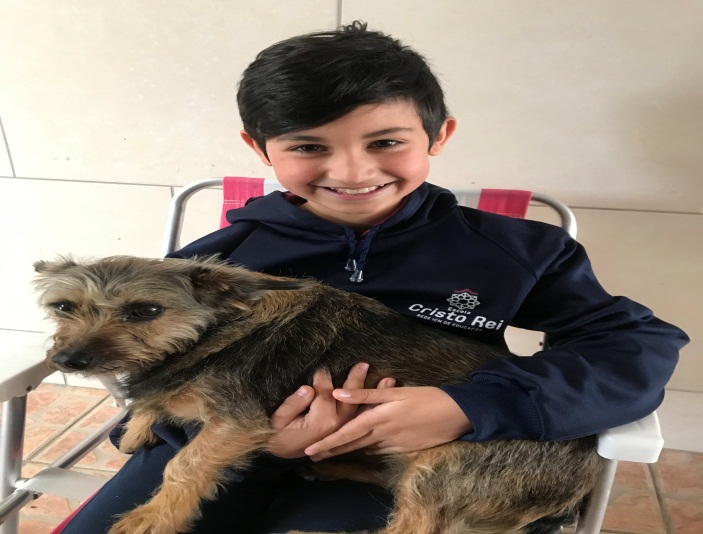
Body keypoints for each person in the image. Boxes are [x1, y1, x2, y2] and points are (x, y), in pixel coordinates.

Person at [56, 21, 688, 533]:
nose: (353, 172)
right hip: (234, 450)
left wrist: (471, 407)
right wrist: (265, 443)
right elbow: (158, 375)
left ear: (438, 134)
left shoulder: (517, 250)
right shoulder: (221, 260)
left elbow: (634, 345)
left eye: (385, 142)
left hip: (406, 459)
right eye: (309, 147)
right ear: (259, 149)